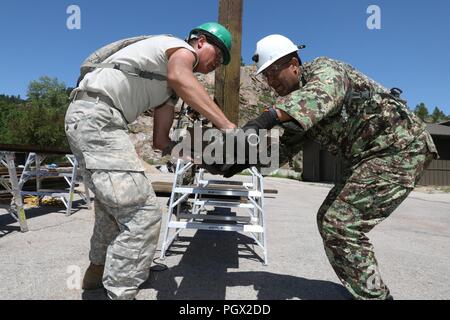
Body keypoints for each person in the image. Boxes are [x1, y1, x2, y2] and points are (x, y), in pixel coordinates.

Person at [221, 34, 438, 300]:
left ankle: (374, 298)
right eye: (266, 76)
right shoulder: (295, 108)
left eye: (274, 71)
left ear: (294, 63)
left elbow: (321, 94)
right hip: (370, 157)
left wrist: (266, 118)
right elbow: (284, 149)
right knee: (330, 221)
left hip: (400, 147)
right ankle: (368, 292)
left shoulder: (326, 71)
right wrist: (240, 163)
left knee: (340, 224)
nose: (271, 81)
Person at [64, 22, 235, 300]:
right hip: (99, 118)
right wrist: (227, 126)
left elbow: (160, 141)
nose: (219, 62)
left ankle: (97, 271)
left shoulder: (168, 88)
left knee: (113, 207)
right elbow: (182, 77)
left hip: (92, 118)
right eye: (219, 54)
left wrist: (195, 156)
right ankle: (120, 293)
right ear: (201, 42)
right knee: (143, 214)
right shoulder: (180, 50)